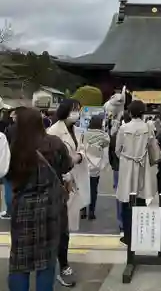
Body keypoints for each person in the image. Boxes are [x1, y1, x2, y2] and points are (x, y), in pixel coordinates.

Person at [7, 108, 73, 291]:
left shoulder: (14, 148)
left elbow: (7, 177)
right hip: (50, 208)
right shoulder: (54, 143)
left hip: (22, 210)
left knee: (20, 262)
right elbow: (66, 166)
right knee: (46, 262)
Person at [48, 99, 90, 288]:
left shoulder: (76, 130)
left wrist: (79, 156)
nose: (77, 113)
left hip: (73, 181)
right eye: (74, 110)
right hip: (63, 183)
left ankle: (62, 263)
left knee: (65, 228)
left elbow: (81, 150)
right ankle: (62, 265)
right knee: (61, 228)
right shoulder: (54, 132)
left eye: (78, 110)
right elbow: (54, 160)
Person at [115, 100, 158, 246]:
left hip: (127, 165)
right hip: (142, 165)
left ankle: (127, 236)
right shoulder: (148, 128)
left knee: (126, 200)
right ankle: (141, 235)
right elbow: (152, 147)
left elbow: (117, 150)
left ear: (131, 112)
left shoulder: (123, 128)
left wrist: (125, 156)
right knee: (141, 198)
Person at [82, 115, 110, 220]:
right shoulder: (104, 136)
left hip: (85, 164)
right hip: (96, 166)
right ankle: (92, 211)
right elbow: (106, 145)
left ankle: (83, 210)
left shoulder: (84, 134)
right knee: (93, 189)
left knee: (84, 188)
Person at [109, 111, 131, 233]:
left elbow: (112, 152)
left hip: (118, 168)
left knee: (120, 195)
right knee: (133, 193)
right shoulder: (140, 132)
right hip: (133, 168)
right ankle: (131, 220)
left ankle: (121, 221)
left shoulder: (116, 134)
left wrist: (114, 166)